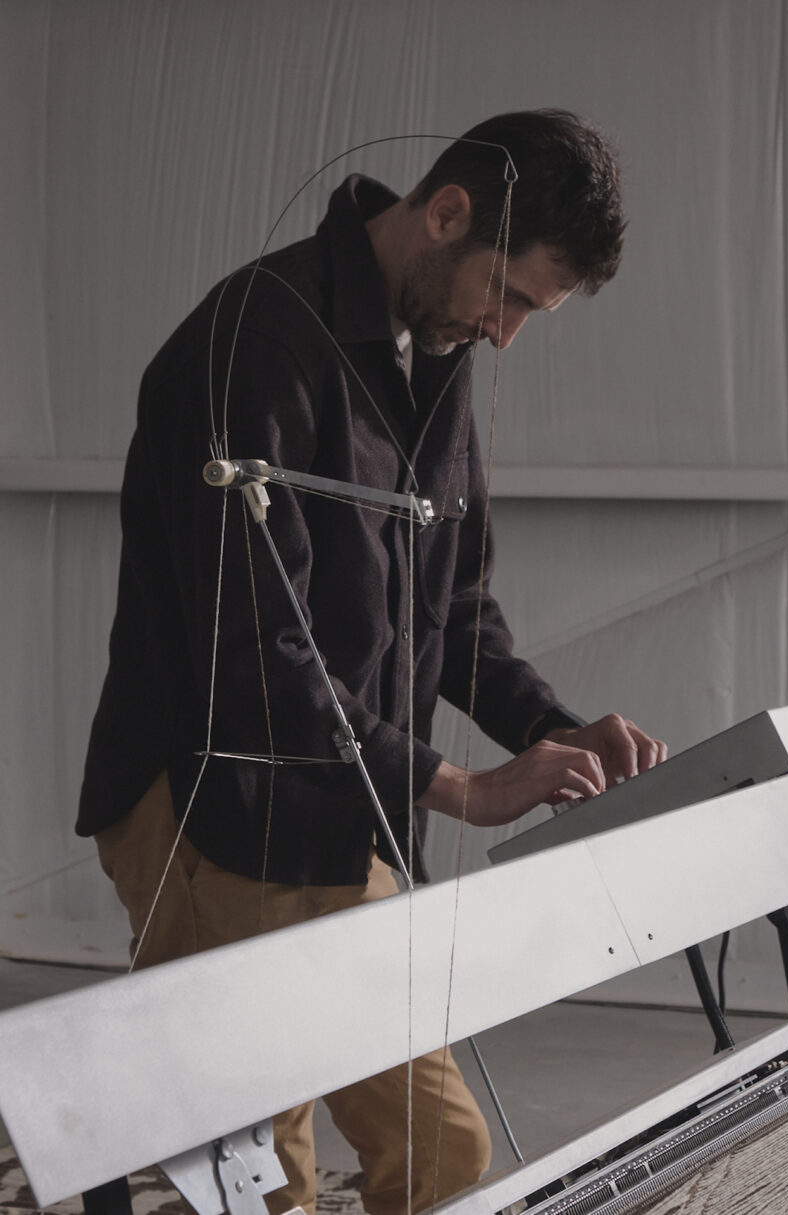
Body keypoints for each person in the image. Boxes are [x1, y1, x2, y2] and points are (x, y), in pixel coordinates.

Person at [78, 110, 666, 1215]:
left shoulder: (432, 357)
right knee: (258, 1179)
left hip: (345, 808)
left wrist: (551, 731)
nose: (505, 336)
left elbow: (459, 607)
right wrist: (456, 786)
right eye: (511, 297)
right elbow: (255, 644)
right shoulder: (253, 339)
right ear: (446, 215)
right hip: (218, 800)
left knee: (439, 1153)